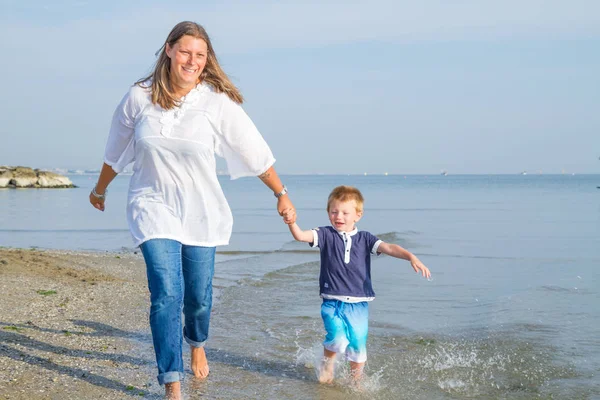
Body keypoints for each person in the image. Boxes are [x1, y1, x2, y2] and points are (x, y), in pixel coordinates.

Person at [89, 21, 295, 400]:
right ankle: (172, 380)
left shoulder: (214, 102)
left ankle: (196, 341)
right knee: (166, 291)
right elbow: (115, 149)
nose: (192, 61)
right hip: (152, 206)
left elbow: (252, 148)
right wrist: (100, 189)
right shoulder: (139, 96)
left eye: (200, 55)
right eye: (185, 51)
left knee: (198, 297)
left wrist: (280, 192)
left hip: (202, 211)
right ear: (168, 50)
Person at [284, 185, 430, 384]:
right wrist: (292, 223)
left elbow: (389, 247)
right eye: (334, 212)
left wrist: (410, 256)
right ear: (328, 214)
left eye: (345, 212)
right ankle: (328, 364)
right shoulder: (325, 234)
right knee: (337, 338)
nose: (339, 216)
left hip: (359, 302)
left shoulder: (365, 238)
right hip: (332, 301)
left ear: (358, 215)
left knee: (358, 343)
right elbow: (300, 236)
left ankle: (356, 380)